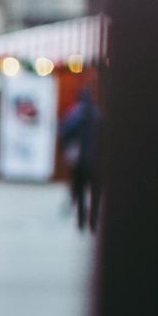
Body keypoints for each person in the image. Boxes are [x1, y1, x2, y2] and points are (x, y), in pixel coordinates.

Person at [63, 86, 103, 232]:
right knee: (95, 192)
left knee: (80, 190)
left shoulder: (75, 114)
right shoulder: (98, 115)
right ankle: (92, 220)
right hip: (95, 160)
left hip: (80, 160)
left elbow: (66, 131)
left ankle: (81, 219)